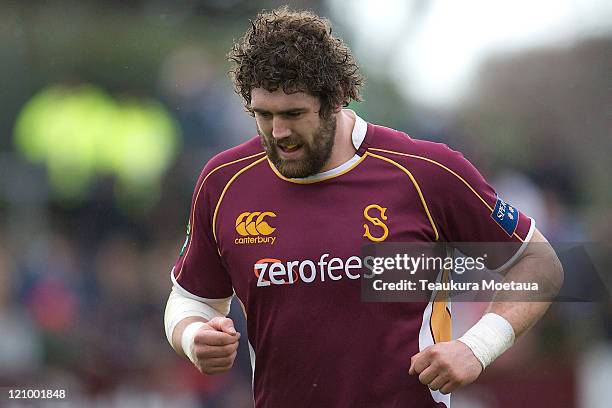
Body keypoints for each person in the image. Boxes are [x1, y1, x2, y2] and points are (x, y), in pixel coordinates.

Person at [164, 6, 564, 407]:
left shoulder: (424, 172)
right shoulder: (224, 182)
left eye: (294, 114)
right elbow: (190, 298)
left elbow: (538, 262)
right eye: (263, 115)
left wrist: (477, 346)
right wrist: (194, 336)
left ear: (336, 98)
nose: (278, 131)